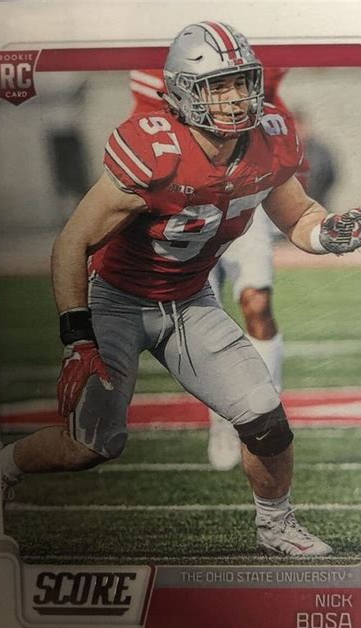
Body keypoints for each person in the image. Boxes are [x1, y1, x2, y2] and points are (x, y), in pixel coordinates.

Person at [1, 20, 361, 557]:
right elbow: (72, 242)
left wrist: (328, 233)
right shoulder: (155, 149)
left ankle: (275, 526)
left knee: (266, 419)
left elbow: (298, 216)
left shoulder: (269, 138)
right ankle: (3, 468)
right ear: (183, 92)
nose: (237, 97)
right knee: (91, 445)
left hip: (189, 300)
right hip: (116, 299)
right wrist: (77, 338)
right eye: (219, 85)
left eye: (242, 82)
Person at [128, 66, 293, 471]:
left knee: (258, 302)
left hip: (244, 188)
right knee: (204, 322)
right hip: (185, 201)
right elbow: (144, 127)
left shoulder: (250, 56)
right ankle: (223, 417)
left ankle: (265, 414)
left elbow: (271, 108)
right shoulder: (154, 62)